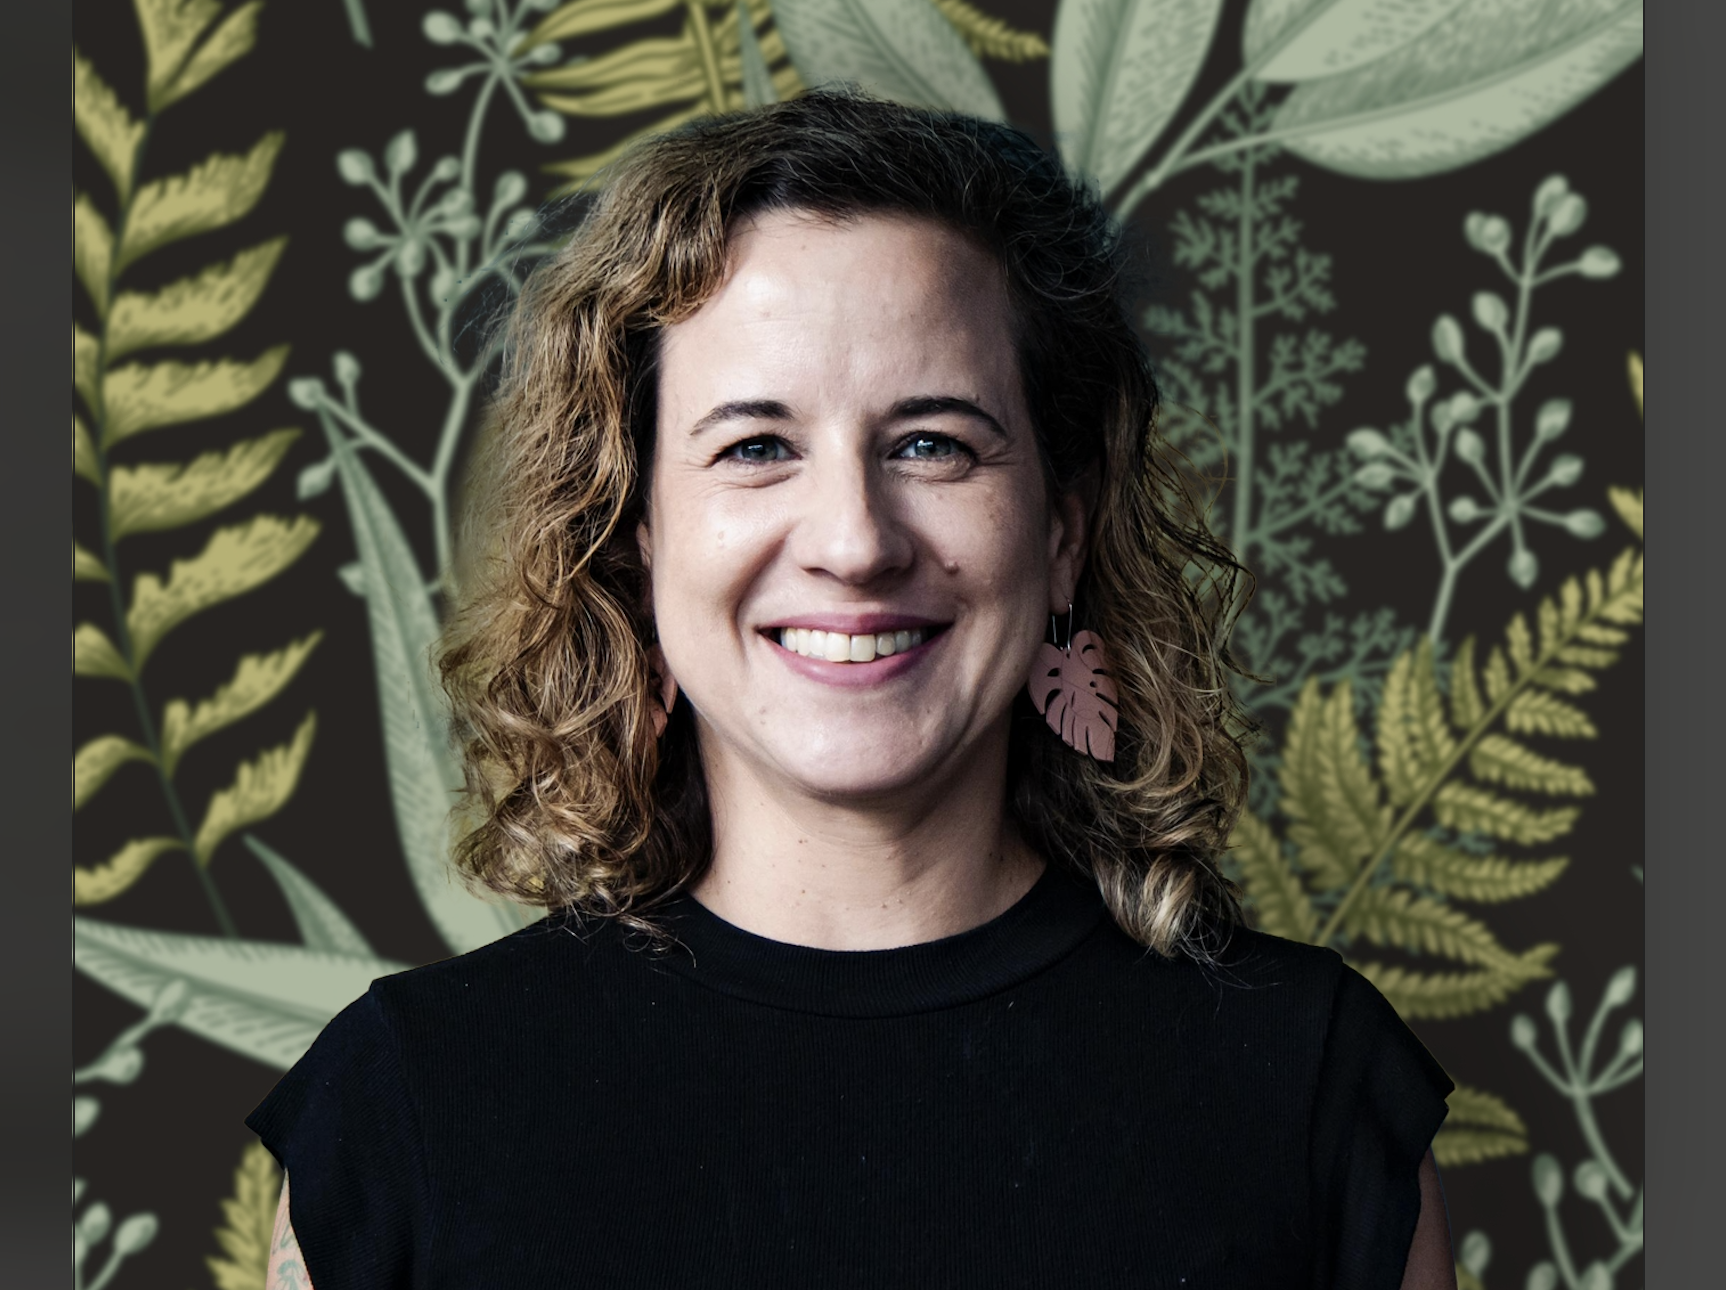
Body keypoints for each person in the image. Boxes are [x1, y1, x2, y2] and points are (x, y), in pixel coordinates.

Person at [249, 89, 1457, 1289]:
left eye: (932, 443)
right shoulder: (401, 1110)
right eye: (755, 447)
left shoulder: (1308, 1083)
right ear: (637, 542)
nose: (854, 541)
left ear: (1060, 535)